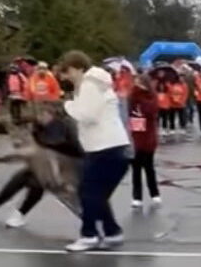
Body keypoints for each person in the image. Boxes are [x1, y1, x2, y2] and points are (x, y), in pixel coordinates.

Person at [60, 50, 131, 253]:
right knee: (95, 194)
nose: (65, 77)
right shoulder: (91, 84)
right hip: (108, 147)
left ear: (78, 68)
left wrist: (67, 105)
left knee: (88, 192)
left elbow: (88, 115)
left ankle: (89, 235)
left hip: (106, 147)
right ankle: (112, 231)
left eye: (68, 72)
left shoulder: (90, 84)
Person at [0, 106, 84, 228]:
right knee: (26, 177)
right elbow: (17, 127)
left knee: (64, 195)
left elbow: (50, 145)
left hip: (72, 165)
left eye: (42, 115)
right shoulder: (41, 126)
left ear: (50, 114)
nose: (39, 118)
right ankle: (2, 210)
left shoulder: (61, 126)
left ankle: (94, 226)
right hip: (53, 164)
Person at [129, 74, 161, 208]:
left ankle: (154, 193)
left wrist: (142, 95)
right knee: (136, 168)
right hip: (135, 133)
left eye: (140, 83)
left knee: (149, 167)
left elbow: (151, 111)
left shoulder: (151, 96)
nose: (137, 85)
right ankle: (137, 197)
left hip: (148, 134)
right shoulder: (132, 97)